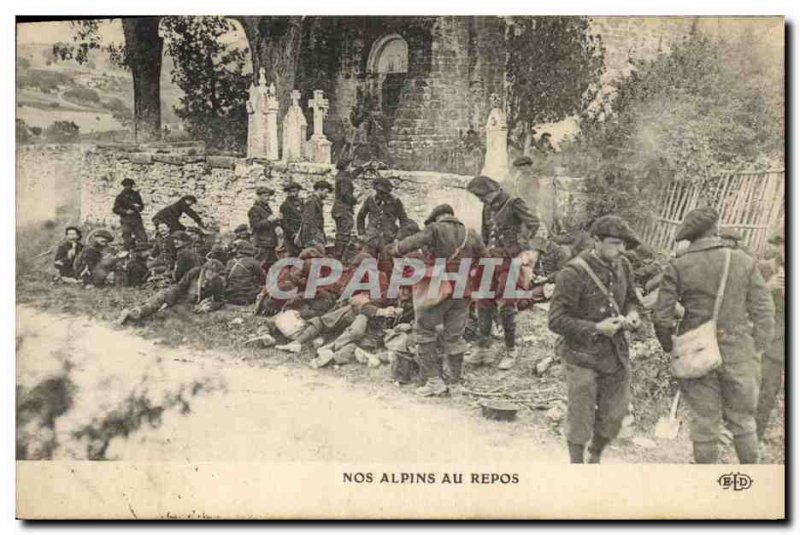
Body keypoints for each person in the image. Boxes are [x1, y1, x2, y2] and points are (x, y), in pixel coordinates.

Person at [653, 207, 774, 464]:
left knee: (705, 424)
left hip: (697, 351)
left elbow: (661, 318)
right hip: (739, 349)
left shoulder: (679, 265)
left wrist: (672, 348)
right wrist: (756, 348)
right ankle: (751, 484)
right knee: (743, 421)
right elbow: (764, 311)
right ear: (715, 229)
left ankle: (708, 489)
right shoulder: (743, 261)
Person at [548, 215, 642, 463]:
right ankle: (577, 465)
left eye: (624, 244)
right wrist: (596, 328)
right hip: (581, 356)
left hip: (615, 354)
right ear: (596, 241)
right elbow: (556, 320)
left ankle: (596, 455)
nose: (622, 250)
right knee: (581, 417)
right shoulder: (573, 273)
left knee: (615, 416)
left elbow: (632, 298)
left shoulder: (624, 266)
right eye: (614, 243)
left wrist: (632, 314)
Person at [391, 204, 487, 396]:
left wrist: (396, 250)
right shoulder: (472, 233)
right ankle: (456, 383)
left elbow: (403, 247)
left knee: (424, 331)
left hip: (439, 287)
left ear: (437, 217)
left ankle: (434, 382)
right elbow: (485, 259)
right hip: (463, 289)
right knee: (455, 336)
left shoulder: (434, 228)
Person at [465, 175, 543, 370]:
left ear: (494, 190)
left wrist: (526, 250)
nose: (482, 201)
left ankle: (510, 349)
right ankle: (483, 348)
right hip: (489, 260)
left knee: (506, 305)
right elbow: (485, 234)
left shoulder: (513, 203)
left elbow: (536, 225)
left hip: (509, 261)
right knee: (483, 302)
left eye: (483, 196)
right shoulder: (486, 206)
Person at [116, 259, 227, 325]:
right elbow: (180, 287)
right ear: (205, 269)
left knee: (167, 314)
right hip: (177, 294)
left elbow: (219, 300)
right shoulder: (195, 272)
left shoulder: (218, 282)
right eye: (209, 271)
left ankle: (135, 319)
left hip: (188, 302)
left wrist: (207, 307)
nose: (211, 274)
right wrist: (169, 302)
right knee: (158, 299)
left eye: (215, 272)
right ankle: (137, 312)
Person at [755, 228, 785, 442]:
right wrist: (768, 288)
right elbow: (744, 301)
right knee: (762, 388)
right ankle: (752, 436)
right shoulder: (764, 269)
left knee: (770, 390)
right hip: (766, 339)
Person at [357, 177, 409, 257]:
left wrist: (398, 238)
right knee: (364, 259)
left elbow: (404, 221)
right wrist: (362, 233)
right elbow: (361, 216)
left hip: (388, 238)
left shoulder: (395, 201)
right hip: (371, 238)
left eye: (384, 193)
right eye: (379, 192)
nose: (382, 194)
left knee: (387, 262)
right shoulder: (370, 200)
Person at [332, 159, 359, 260]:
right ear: (347, 166)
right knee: (344, 234)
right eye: (350, 164)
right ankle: (339, 257)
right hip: (344, 210)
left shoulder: (340, 175)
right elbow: (345, 195)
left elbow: (351, 176)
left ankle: (338, 255)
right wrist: (355, 200)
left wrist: (362, 168)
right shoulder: (345, 179)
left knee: (340, 233)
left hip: (337, 209)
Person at [224, 240, 266, 306]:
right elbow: (263, 279)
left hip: (231, 296)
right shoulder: (253, 262)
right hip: (248, 296)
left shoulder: (230, 262)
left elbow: (226, 280)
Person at [298, 180, 333, 253]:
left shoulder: (316, 201)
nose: (327, 195)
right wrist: (310, 239)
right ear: (320, 189)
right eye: (326, 192)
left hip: (316, 235)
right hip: (313, 237)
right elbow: (307, 221)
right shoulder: (312, 202)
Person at [249, 186, 281, 265]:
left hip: (270, 243)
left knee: (271, 266)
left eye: (269, 196)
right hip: (261, 244)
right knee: (259, 265)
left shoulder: (267, 209)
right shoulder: (254, 209)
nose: (268, 198)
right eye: (265, 196)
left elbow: (270, 223)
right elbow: (255, 225)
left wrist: (277, 222)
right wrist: (268, 221)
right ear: (259, 196)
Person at [113, 178, 147, 250]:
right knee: (127, 238)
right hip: (126, 220)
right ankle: (127, 253)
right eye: (126, 185)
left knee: (142, 237)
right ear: (124, 186)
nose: (128, 187)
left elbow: (142, 206)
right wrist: (125, 211)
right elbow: (115, 209)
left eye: (130, 185)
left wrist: (138, 207)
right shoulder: (120, 197)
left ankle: (142, 253)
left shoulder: (136, 195)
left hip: (136, 219)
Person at [279, 181, 304, 257]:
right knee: (292, 256)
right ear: (288, 192)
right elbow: (284, 223)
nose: (295, 193)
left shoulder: (300, 203)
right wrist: (293, 233)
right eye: (293, 191)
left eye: (297, 191)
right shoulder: (285, 205)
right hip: (291, 235)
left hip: (301, 234)